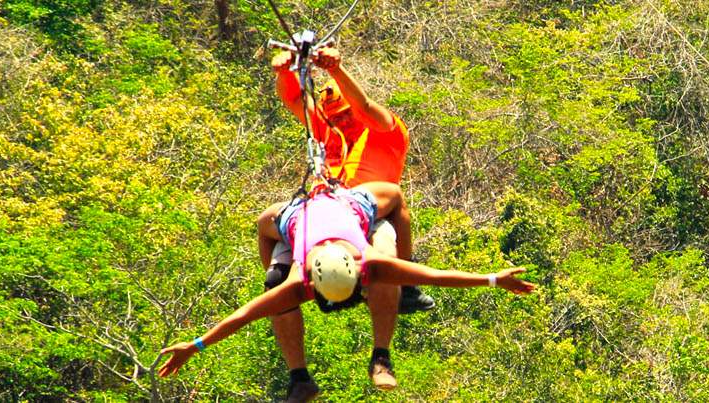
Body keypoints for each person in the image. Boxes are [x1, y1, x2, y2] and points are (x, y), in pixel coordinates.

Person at [157, 182, 535, 386]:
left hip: (349, 205)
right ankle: (299, 378)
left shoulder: (370, 261)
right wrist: (195, 344)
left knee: (395, 201)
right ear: (311, 282)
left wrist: (492, 279)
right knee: (267, 245)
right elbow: (244, 315)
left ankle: (381, 353)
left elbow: (435, 275)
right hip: (300, 217)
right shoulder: (297, 279)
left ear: (358, 273)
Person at [255, 45, 431, 400]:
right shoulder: (326, 135)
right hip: (320, 216)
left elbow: (365, 108)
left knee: (384, 261)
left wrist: (336, 70)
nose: (342, 122)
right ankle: (299, 376)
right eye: (335, 117)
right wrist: (284, 71)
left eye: (345, 116)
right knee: (274, 277)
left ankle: (381, 355)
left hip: (367, 216)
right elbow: (294, 99)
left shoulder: (388, 132)